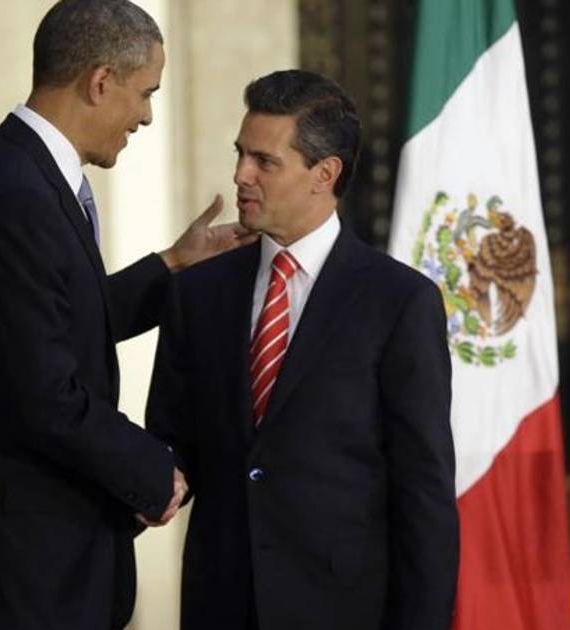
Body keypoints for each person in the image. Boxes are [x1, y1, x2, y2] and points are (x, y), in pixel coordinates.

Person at [0, 1, 252, 628]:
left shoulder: (22, 174)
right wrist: (151, 470)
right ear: (100, 82)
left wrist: (172, 265)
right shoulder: (14, 195)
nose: (147, 116)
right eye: (145, 93)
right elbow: (43, 393)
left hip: (28, 561)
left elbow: (51, 324)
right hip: (13, 569)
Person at [146, 69, 459, 630]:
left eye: (264, 161)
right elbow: (170, 443)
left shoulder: (399, 302)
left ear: (324, 174)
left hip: (343, 610)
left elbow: (423, 492)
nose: (240, 175)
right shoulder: (198, 292)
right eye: (241, 154)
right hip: (221, 606)